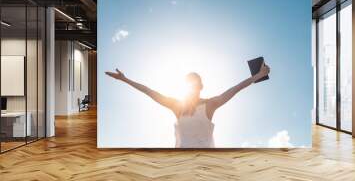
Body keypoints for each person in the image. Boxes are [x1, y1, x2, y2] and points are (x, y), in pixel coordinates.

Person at [105, 62, 270, 148]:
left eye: (194, 84)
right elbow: (149, 91)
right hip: (180, 161)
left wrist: (259, 75)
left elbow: (236, 89)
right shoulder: (177, 106)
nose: (191, 87)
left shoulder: (211, 104)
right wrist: (124, 79)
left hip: (208, 162)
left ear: (201, 87)